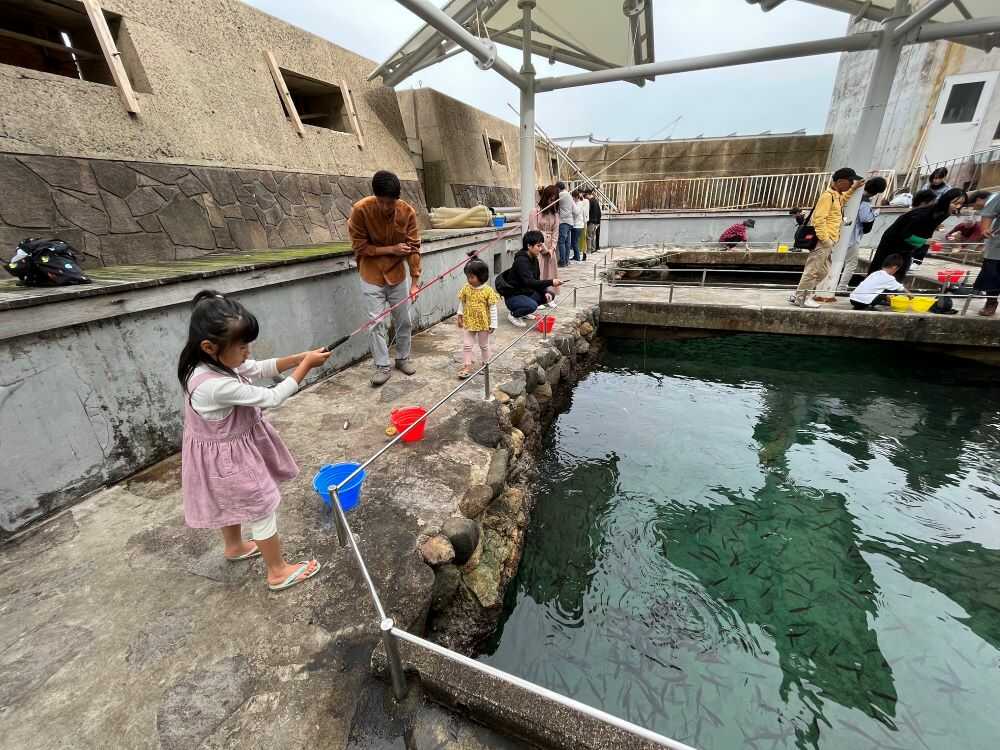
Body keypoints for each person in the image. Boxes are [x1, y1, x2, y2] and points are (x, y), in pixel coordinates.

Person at [177, 290, 330, 591]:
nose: (248, 351)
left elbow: (260, 368)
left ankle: (234, 547)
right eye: (242, 346)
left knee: (227, 501)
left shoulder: (208, 363)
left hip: (216, 455)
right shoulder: (214, 385)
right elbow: (272, 396)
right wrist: (306, 367)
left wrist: (303, 356)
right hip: (231, 458)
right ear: (210, 346)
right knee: (261, 505)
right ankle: (277, 571)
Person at [348, 170, 421, 387]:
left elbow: (414, 248)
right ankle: (382, 365)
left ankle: (402, 358)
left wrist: (415, 283)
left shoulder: (407, 212)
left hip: (398, 275)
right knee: (376, 323)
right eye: (382, 201)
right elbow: (360, 247)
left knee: (404, 320)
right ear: (375, 196)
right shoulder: (360, 211)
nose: (386, 207)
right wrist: (391, 249)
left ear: (397, 199)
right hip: (371, 274)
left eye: (391, 202)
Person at [791, 167, 864, 308]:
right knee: (813, 270)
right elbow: (818, 219)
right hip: (823, 241)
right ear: (841, 181)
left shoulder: (836, 195)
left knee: (823, 271)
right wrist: (825, 240)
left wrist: (853, 189)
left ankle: (799, 294)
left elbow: (842, 201)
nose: (850, 184)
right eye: (850, 181)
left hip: (828, 242)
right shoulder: (827, 196)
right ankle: (801, 298)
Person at [868, 188, 966, 282]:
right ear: (946, 201)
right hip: (894, 241)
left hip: (908, 244)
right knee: (882, 269)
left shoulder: (944, 213)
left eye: (960, 204)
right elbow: (905, 234)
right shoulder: (922, 214)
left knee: (901, 269)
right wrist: (924, 241)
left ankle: (889, 295)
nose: (958, 207)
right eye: (955, 203)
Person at [496, 230, 563, 326]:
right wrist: (551, 282)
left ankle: (524, 312)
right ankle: (514, 314)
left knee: (550, 295)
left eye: (541, 245)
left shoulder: (533, 258)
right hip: (513, 296)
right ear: (529, 246)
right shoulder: (521, 261)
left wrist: (545, 292)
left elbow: (537, 280)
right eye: (538, 246)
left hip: (525, 292)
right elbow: (530, 282)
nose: (541, 249)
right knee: (532, 306)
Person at [835, 176, 888, 294]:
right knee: (851, 263)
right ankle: (841, 287)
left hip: (840, 231)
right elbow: (865, 218)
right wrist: (876, 212)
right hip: (851, 236)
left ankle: (832, 284)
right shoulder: (864, 201)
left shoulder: (853, 194)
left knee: (836, 260)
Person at [456, 258, 501, 378]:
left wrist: (493, 324)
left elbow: (493, 308)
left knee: (484, 345)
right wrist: (460, 315)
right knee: (467, 345)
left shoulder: (488, 291)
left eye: (472, 277)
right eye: (468, 277)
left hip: (483, 323)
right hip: (469, 320)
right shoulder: (466, 288)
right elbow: (462, 302)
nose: (469, 280)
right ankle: (467, 365)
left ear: (481, 277)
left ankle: (485, 364)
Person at [528, 184, 560, 301]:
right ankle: (538, 298)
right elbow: (534, 231)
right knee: (539, 273)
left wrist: (552, 248)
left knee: (550, 273)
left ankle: (550, 296)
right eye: (551, 199)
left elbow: (556, 233)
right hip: (538, 247)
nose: (553, 202)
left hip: (550, 248)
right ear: (545, 197)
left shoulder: (556, 215)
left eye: (555, 199)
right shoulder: (535, 212)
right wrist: (544, 248)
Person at [972, 191, 1000, 317]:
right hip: (998, 245)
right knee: (992, 274)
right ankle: (991, 302)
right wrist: (984, 229)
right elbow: (988, 214)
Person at [556, 181, 574, 267]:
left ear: (558, 188)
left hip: (563, 222)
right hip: (570, 222)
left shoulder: (561, 195)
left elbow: (553, 203)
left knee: (561, 242)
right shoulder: (569, 195)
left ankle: (562, 261)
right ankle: (567, 260)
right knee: (567, 243)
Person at [572, 189, 588, 261]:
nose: (572, 199)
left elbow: (577, 213)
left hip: (577, 225)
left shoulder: (579, 204)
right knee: (575, 241)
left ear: (576, 197)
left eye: (573, 197)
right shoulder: (581, 203)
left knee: (575, 242)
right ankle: (576, 256)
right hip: (578, 225)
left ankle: (577, 257)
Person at [586, 189, 602, 253]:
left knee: (589, 236)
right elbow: (599, 212)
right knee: (593, 235)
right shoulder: (596, 201)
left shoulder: (590, 201)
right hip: (596, 221)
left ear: (588, 194)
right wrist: (598, 222)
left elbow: (588, 211)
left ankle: (589, 250)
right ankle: (593, 248)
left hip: (591, 221)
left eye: (586, 195)